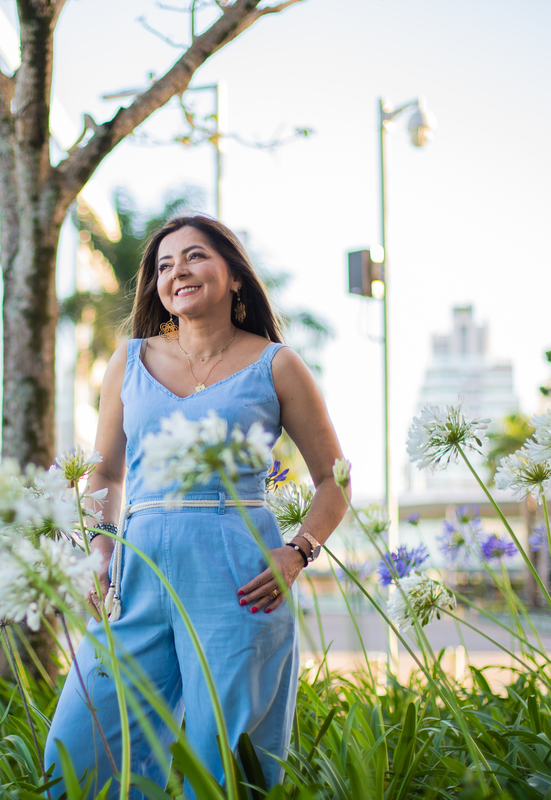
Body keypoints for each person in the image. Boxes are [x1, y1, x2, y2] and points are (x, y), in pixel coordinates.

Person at [44, 215, 347, 795]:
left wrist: (297, 552)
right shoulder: (128, 361)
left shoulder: (276, 364)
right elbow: (104, 471)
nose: (177, 270)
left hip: (240, 573)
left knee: (224, 760)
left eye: (194, 256)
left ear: (234, 275)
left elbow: (335, 479)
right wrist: (99, 549)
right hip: (137, 571)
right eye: (163, 264)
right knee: (83, 742)